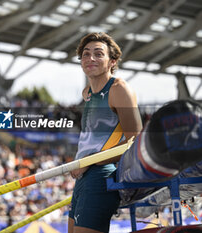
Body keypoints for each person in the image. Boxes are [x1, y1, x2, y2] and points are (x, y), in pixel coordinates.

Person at [68, 32, 142, 233]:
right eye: (85, 54)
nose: (90, 58)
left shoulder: (119, 89)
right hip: (84, 175)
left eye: (98, 54)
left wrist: (89, 161)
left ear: (112, 61)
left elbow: (135, 142)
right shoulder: (86, 93)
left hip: (103, 176)